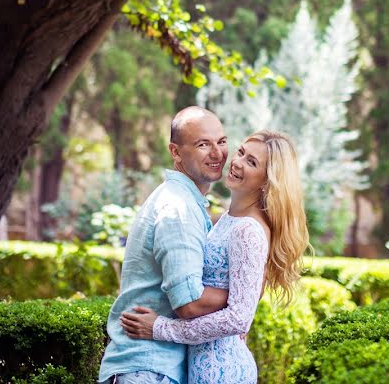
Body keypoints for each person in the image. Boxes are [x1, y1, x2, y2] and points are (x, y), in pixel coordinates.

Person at [120, 131, 309, 384]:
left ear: (267, 181)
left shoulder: (248, 230)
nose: (238, 162)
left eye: (252, 162)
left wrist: (161, 328)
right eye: (241, 152)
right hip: (202, 365)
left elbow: (239, 318)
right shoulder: (228, 220)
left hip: (222, 370)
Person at [99, 106, 231, 384]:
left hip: (154, 367)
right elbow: (190, 304)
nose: (217, 153)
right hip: (148, 369)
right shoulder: (178, 210)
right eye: (203, 144)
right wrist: (242, 293)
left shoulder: (185, 202)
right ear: (175, 152)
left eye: (221, 141)